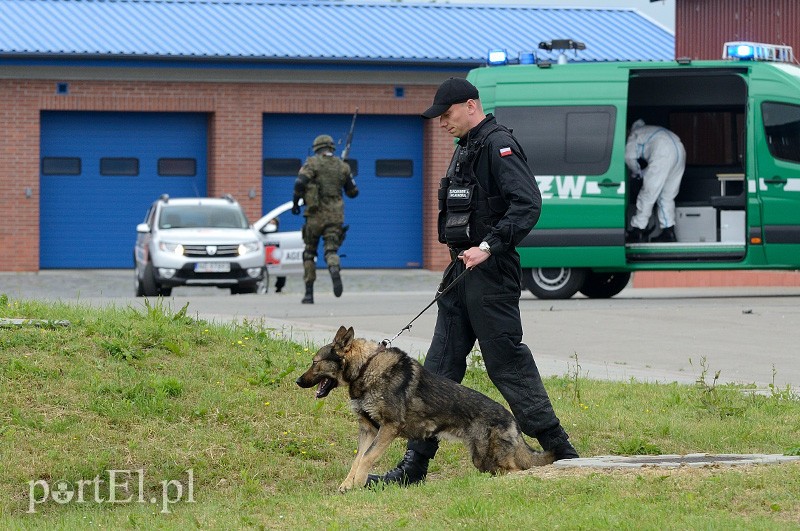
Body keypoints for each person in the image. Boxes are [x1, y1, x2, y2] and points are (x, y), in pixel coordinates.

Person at [368, 77, 578, 488]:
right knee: (437, 370)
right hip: (461, 271)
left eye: (446, 115)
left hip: (491, 272)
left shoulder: (499, 145)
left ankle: (562, 451)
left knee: (506, 362)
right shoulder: (466, 146)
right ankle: (414, 468)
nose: (442, 123)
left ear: (470, 105)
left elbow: (528, 204)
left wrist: (489, 245)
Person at [291, 134, 359, 304]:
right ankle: (334, 269)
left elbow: (300, 183)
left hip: (314, 216)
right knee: (331, 251)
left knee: (309, 252)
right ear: (331, 148)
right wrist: (345, 173)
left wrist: (295, 203)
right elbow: (353, 193)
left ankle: (308, 294)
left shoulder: (312, 163)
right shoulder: (342, 166)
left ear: (316, 148)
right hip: (335, 216)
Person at [625, 119, 686, 243]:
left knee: (648, 192)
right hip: (679, 149)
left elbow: (629, 157)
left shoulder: (634, 135)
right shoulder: (651, 130)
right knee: (667, 195)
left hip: (663, 151)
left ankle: (638, 230)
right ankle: (669, 232)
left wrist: (636, 173)